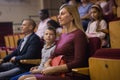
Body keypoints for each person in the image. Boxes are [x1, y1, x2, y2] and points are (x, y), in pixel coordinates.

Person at [18, 4, 88, 80]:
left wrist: (53, 69)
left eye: (62, 14)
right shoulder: (63, 35)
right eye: (59, 14)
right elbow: (54, 54)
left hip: (70, 74)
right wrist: (47, 64)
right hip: (58, 72)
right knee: (22, 77)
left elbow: (79, 61)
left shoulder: (79, 34)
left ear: (72, 16)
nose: (59, 16)